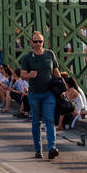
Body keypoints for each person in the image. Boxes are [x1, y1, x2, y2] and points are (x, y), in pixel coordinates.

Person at [20, 29, 61, 159]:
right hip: (34, 94)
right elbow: (22, 75)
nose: (38, 44)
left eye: (40, 41)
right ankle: (38, 149)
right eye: (36, 41)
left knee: (49, 120)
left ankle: (52, 148)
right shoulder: (27, 57)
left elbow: (56, 72)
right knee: (36, 122)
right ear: (31, 42)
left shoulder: (50, 54)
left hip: (49, 93)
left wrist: (63, 87)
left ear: (44, 42)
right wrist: (29, 75)